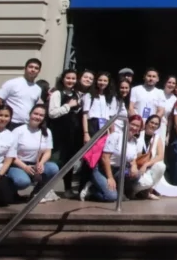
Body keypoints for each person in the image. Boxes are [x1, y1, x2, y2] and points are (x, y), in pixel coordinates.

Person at [81, 115, 145, 202]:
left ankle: (119, 191)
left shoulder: (134, 141)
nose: (134, 127)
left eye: (137, 126)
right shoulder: (116, 136)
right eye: (132, 124)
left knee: (136, 175)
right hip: (103, 170)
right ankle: (92, 189)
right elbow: (105, 158)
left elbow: (132, 158)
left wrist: (134, 166)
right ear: (127, 124)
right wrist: (110, 177)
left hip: (118, 170)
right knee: (112, 197)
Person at [8, 104, 59, 201]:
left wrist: (41, 163)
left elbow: (48, 151)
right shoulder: (18, 131)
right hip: (18, 165)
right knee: (22, 181)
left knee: (53, 168)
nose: (38, 117)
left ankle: (37, 192)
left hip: (35, 165)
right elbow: (11, 155)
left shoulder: (47, 131)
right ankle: (11, 191)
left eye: (41, 115)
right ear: (30, 114)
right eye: (35, 114)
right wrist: (25, 167)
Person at [48, 69, 83, 197]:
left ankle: (68, 189)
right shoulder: (56, 94)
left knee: (69, 162)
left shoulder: (77, 94)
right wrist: (68, 106)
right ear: (63, 79)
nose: (71, 81)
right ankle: (47, 189)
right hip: (58, 133)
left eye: (73, 78)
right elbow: (52, 113)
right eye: (68, 78)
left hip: (72, 133)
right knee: (55, 161)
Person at [0, 58, 43, 130]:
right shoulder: (12, 83)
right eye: (30, 67)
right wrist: (6, 115)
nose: (33, 70)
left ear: (39, 71)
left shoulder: (38, 89)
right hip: (10, 124)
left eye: (36, 68)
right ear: (25, 68)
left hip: (26, 125)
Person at [131, 114, 167, 199]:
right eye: (152, 122)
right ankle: (131, 192)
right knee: (146, 182)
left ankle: (147, 191)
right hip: (135, 165)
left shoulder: (157, 138)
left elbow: (160, 156)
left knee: (161, 166)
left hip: (146, 167)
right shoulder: (138, 134)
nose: (153, 125)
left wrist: (146, 164)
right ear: (146, 123)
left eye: (156, 124)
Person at [82, 72, 116, 146]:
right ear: (96, 81)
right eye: (100, 80)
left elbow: (111, 117)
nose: (102, 82)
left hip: (104, 126)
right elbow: (85, 115)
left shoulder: (110, 97)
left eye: (105, 81)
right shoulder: (89, 95)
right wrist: (86, 133)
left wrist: (112, 133)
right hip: (92, 125)